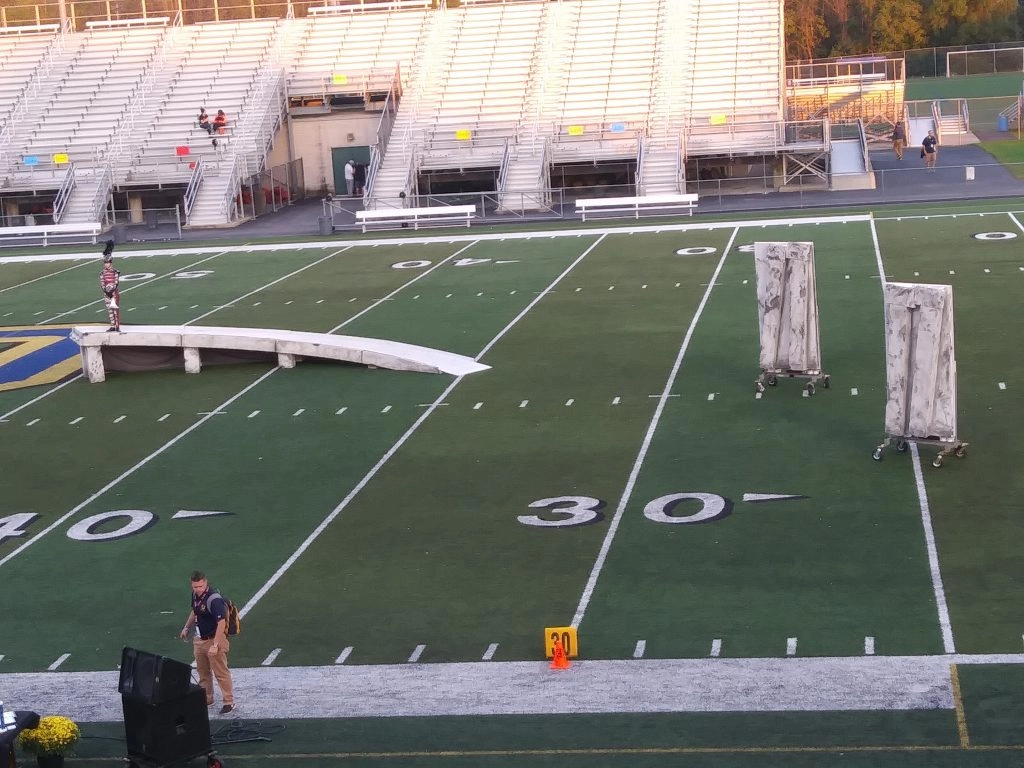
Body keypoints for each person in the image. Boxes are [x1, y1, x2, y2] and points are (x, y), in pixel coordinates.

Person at [179, 570, 235, 715]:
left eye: (200, 586)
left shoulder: (214, 599)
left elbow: (221, 623)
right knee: (203, 672)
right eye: (195, 587)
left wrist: (215, 645)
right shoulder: (195, 595)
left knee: (220, 672)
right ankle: (207, 698)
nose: (198, 589)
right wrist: (186, 627)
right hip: (199, 639)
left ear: (205, 583)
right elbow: (195, 611)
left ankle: (229, 701)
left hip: (213, 639)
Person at [99, 240, 120, 332]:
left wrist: (111, 291)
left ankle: (117, 326)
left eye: (108, 262)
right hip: (106, 294)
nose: (106, 264)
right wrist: (106, 291)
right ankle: (112, 325)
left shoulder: (115, 272)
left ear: (111, 263)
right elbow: (102, 283)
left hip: (114, 293)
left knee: (115, 310)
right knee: (109, 310)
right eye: (105, 263)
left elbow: (116, 282)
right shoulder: (102, 273)